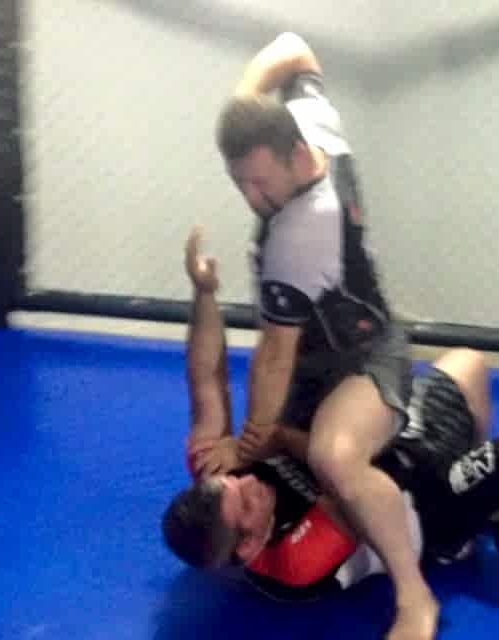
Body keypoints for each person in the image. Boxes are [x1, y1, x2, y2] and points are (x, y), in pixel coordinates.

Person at [169, 227, 499, 623]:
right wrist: (277, 438)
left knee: (468, 364)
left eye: (233, 483)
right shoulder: (294, 562)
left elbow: (206, 382)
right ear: (249, 546)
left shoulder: (224, 482)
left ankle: (486, 504)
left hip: (399, 450)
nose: (248, 481)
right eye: (246, 502)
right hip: (419, 507)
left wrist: (204, 293)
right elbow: (343, 475)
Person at [199, 32, 437, 639]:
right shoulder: (312, 124)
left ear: (297, 155)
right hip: (316, 356)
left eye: (260, 182)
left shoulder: (300, 234)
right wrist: (247, 104)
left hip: (363, 360)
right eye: (239, 183)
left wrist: (250, 442)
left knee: (333, 456)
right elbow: (294, 48)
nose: (252, 199)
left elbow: (273, 357)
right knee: (257, 466)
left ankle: (414, 597)